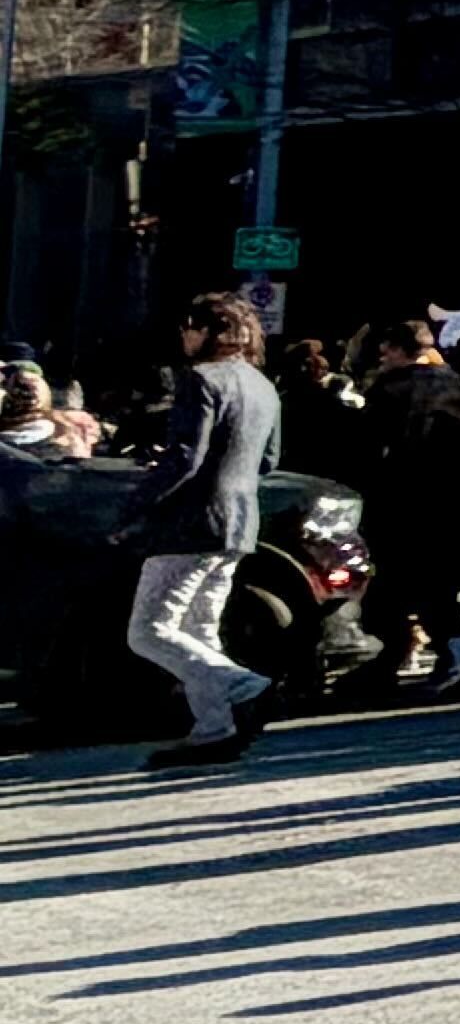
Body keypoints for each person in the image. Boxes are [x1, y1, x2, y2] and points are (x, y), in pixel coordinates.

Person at [118, 293, 285, 774]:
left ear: (209, 331)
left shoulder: (201, 379)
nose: (184, 337)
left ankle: (245, 686)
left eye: (189, 327)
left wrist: (137, 503)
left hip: (190, 522)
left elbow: (185, 457)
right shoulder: (261, 385)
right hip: (238, 520)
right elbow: (269, 460)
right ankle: (215, 728)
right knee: (198, 629)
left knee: (150, 631)